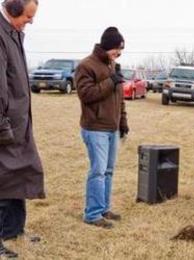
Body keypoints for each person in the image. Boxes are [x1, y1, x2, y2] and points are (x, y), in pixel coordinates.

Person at [0, 0, 45, 257]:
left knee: (21, 174)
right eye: (28, 16)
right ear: (14, 11)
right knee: (3, 181)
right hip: (4, 125)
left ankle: (13, 230)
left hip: (19, 123)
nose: (31, 21)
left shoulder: (13, 33)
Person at [75, 27, 129, 229]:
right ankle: (92, 214)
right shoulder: (86, 66)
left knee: (108, 170)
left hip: (112, 128)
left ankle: (104, 208)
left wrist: (122, 123)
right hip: (95, 128)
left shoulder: (112, 66)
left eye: (121, 50)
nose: (119, 53)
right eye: (117, 49)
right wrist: (110, 81)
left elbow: (120, 98)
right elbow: (86, 95)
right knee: (97, 171)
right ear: (107, 46)